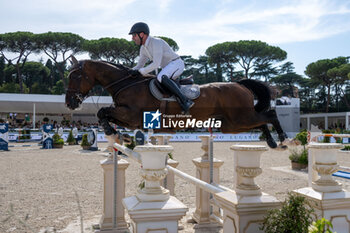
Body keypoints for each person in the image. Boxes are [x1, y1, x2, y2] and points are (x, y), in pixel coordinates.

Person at [129, 22, 194, 113]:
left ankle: (185, 101)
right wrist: (128, 72)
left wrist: (140, 72)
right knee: (160, 78)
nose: (132, 38)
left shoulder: (156, 42)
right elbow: (140, 65)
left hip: (176, 63)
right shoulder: (143, 49)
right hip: (167, 68)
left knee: (160, 76)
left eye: (134, 35)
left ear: (142, 34)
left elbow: (156, 64)